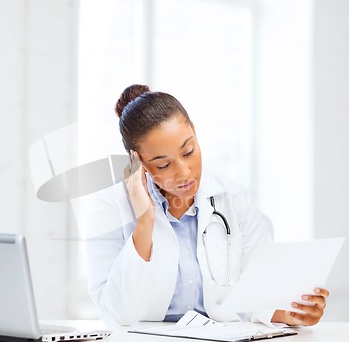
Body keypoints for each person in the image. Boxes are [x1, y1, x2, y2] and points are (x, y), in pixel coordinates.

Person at [85, 84, 329, 326]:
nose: (184, 172)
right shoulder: (108, 208)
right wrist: (145, 221)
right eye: (163, 165)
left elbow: (256, 292)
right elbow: (119, 313)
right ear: (137, 162)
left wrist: (291, 312)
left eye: (188, 151)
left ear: (194, 132)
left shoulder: (234, 199)